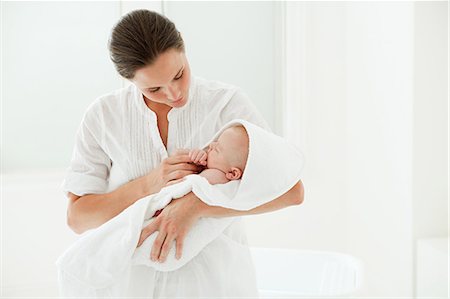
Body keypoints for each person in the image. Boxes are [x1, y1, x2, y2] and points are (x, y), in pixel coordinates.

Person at [64, 9, 304, 296]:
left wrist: (195, 207)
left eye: (179, 74)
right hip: (133, 286)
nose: (174, 93)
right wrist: (149, 184)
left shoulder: (226, 104)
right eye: (155, 88)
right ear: (128, 80)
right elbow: (78, 218)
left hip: (216, 283)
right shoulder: (103, 117)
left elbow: (291, 191)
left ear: (183, 47)